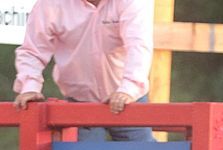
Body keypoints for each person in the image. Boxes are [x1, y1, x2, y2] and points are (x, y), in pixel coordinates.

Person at [13, 0, 155, 142]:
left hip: (128, 100)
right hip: (79, 101)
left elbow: (138, 46)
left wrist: (128, 90)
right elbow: (33, 50)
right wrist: (29, 88)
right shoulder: (51, 3)